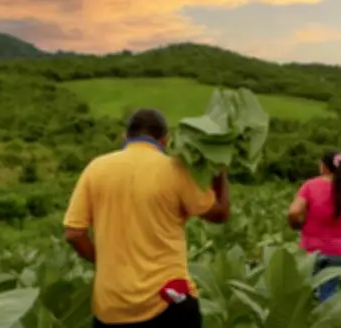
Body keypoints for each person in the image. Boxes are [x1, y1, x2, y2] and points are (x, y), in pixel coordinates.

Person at [63, 108, 230, 328]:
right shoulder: (176, 169)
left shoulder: (96, 168)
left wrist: (101, 261)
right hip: (168, 299)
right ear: (165, 139)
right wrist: (220, 171)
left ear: (126, 137)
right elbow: (219, 214)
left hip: (112, 307)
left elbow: (74, 233)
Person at [286, 150, 341, 302]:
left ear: (324, 167)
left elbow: (294, 212)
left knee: (305, 296)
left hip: (310, 251)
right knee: (328, 296)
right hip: (337, 252)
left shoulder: (310, 186)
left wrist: (296, 225)